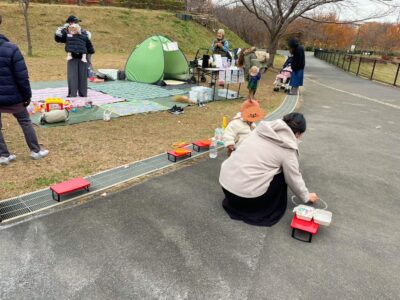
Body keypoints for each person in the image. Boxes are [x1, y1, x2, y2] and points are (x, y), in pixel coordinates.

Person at [219, 112, 318, 226]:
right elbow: (294, 178)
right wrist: (306, 196)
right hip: (248, 198)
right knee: (283, 174)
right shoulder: (288, 148)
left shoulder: (259, 130)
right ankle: (262, 208)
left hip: (227, 187)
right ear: (297, 133)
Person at [0, 15, 49, 165]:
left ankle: (3, 155)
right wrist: (27, 96)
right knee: (25, 121)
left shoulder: (11, 48)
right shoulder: (11, 48)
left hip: (10, 95)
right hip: (14, 97)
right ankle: (35, 151)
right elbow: (22, 77)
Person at [55, 15, 95, 97]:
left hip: (83, 57)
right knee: (72, 76)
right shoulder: (66, 32)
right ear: (69, 23)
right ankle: (72, 94)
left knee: (83, 76)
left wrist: (89, 58)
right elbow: (59, 39)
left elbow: (88, 45)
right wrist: (61, 30)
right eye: (74, 22)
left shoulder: (85, 32)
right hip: (72, 56)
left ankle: (83, 93)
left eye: (77, 22)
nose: (76, 23)